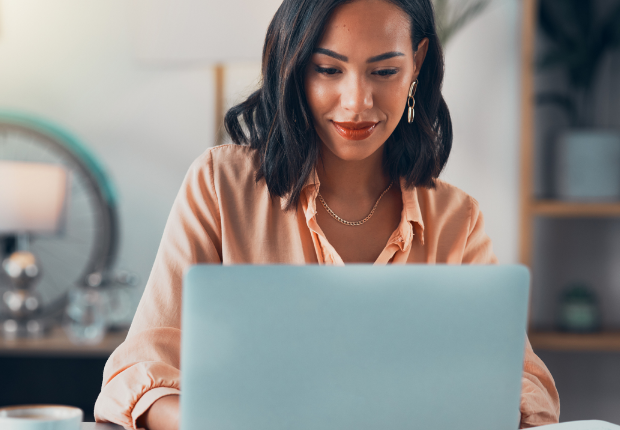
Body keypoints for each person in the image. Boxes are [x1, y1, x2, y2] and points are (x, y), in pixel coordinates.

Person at [94, 0, 560, 428]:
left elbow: (525, 387)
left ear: (416, 62)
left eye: (384, 71)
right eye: (328, 69)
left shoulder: (456, 218)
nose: (357, 102)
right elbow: (136, 374)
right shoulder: (219, 185)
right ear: (294, 66)